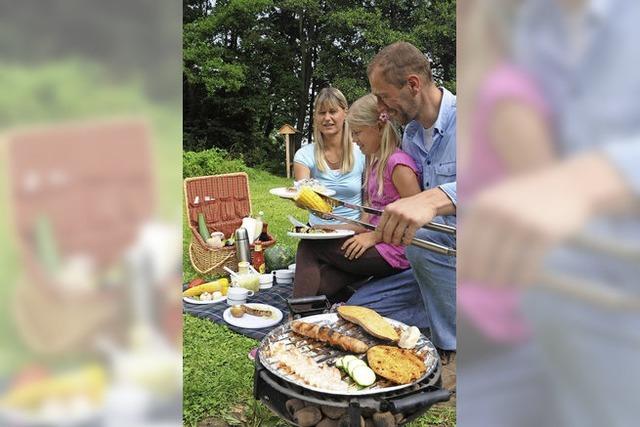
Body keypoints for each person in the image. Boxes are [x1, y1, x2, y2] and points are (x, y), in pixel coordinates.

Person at [365, 42, 458, 357]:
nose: (380, 108)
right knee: (358, 309)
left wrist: (433, 200)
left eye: (383, 95)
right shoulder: (412, 134)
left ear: (413, 85)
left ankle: (453, 349)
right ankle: (439, 316)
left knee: (422, 236)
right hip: (430, 260)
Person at [293, 93, 422, 300]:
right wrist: (329, 230)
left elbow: (418, 218)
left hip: (395, 252)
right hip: (377, 242)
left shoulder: (398, 164)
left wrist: (374, 237)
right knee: (322, 283)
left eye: (357, 132)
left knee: (309, 246)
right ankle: (312, 311)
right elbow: (368, 218)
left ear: (379, 127)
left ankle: (295, 320)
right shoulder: (374, 163)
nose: (353, 139)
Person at [293, 87, 366, 226]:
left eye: (332, 111)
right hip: (319, 230)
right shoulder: (304, 155)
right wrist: (298, 198)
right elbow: (302, 200)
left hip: (354, 230)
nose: (327, 118)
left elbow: (371, 200)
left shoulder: (361, 151)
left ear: (345, 112)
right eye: (321, 113)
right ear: (315, 116)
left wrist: (361, 230)